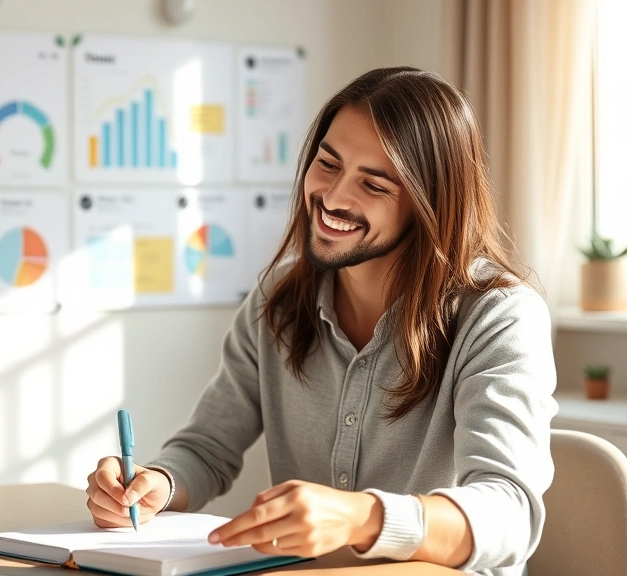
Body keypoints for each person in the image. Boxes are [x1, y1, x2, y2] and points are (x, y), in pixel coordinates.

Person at [85, 66, 556, 576]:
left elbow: (511, 512)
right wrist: (157, 482)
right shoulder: (278, 300)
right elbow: (207, 448)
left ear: (428, 204)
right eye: (327, 164)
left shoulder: (499, 316)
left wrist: (364, 518)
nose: (333, 198)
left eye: (373, 185)